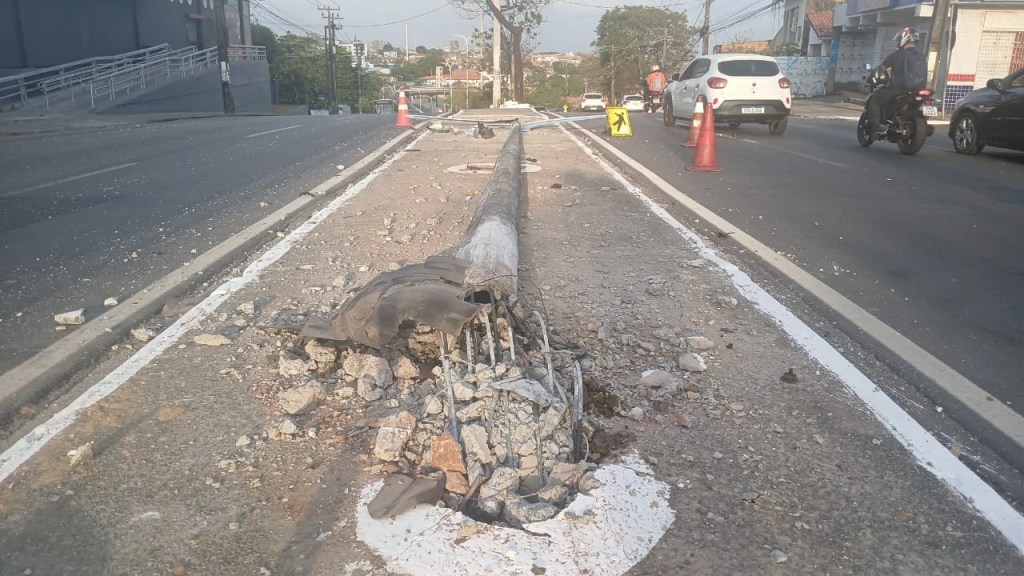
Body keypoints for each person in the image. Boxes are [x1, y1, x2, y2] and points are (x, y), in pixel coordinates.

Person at [866, 27, 926, 135]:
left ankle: (877, 125)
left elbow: (881, 69)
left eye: (899, 40)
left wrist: (873, 79)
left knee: (875, 99)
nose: (898, 43)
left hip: (899, 90)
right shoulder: (921, 57)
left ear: (904, 39)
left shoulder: (898, 55)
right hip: (919, 91)